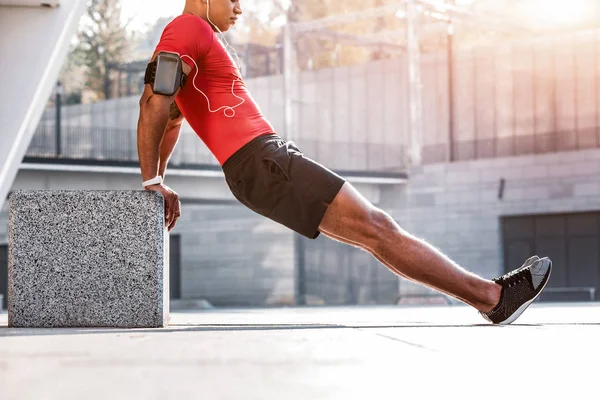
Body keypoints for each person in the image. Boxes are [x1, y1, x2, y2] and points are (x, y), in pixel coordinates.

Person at [136, 0, 552, 325]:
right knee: (378, 228)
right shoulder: (187, 28)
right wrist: (152, 179)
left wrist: (159, 178)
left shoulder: (195, 35)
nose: (241, 10)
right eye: (234, 1)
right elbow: (156, 98)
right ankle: (493, 298)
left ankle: (489, 298)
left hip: (263, 161)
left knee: (376, 232)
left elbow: (172, 119)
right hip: (261, 159)